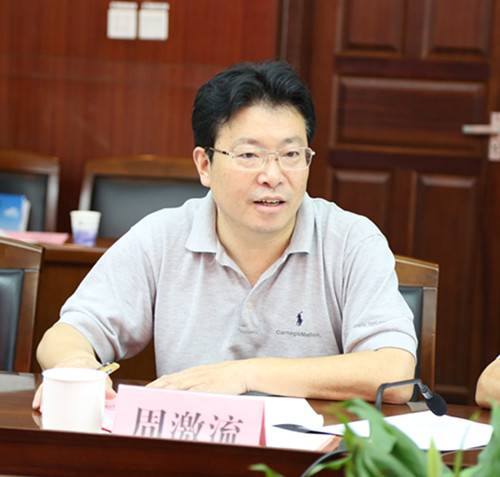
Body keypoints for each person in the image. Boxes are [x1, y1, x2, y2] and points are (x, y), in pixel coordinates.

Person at [33, 60, 417, 409]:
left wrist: (244, 375)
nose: (273, 175)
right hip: (193, 447)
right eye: (249, 155)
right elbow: (67, 333)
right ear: (205, 165)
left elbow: (395, 372)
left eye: (291, 154)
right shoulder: (162, 236)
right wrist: (77, 366)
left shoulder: (351, 241)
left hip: (313, 452)